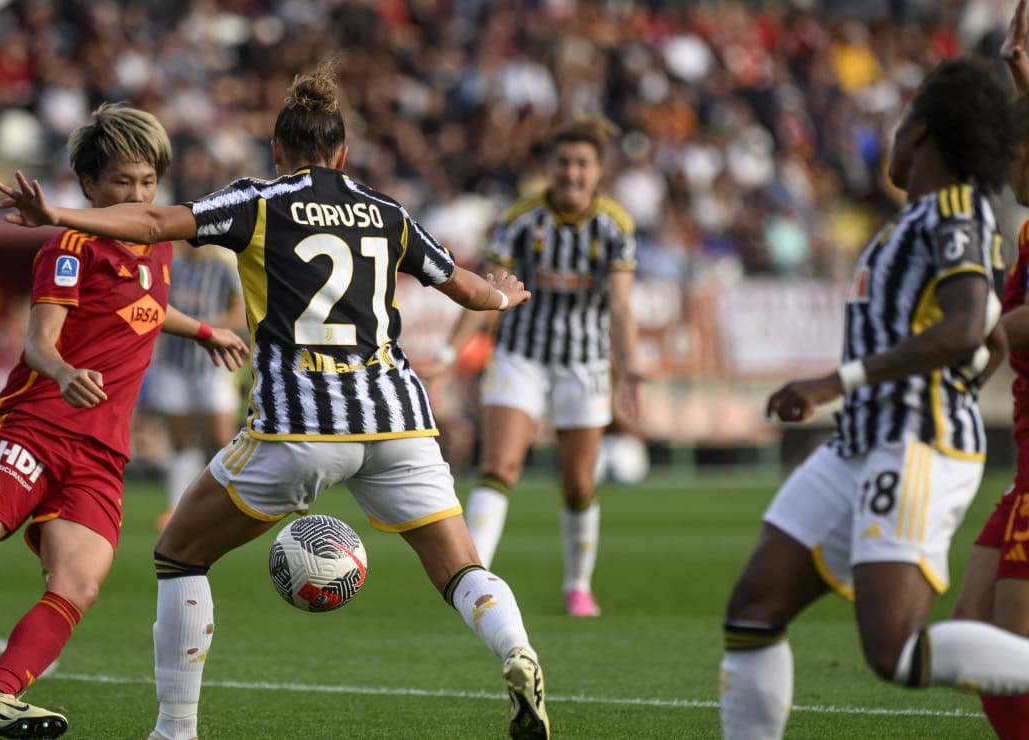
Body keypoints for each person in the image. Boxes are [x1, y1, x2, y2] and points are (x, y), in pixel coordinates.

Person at [0, 58, 552, 740]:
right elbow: (467, 288)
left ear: (277, 150)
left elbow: (151, 224)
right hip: (399, 421)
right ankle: (515, 651)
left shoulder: (258, 201)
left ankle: (175, 730)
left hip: (301, 425)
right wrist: (504, 293)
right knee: (462, 566)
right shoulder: (387, 213)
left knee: (179, 553)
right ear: (344, 152)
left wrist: (55, 212)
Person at [0, 103, 248, 739]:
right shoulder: (69, 246)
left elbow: (143, 309)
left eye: (147, 183)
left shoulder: (159, 246)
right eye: (123, 182)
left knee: (79, 583)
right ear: (90, 186)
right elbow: (39, 341)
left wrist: (203, 330)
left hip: (99, 454)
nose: (138, 195)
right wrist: (63, 373)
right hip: (32, 429)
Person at [717, 57, 1029, 740]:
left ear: (921, 134)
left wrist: (836, 382)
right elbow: (982, 341)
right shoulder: (919, 217)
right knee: (753, 610)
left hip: (913, 442)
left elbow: (968, 320)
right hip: (862, 442)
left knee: (895, 652)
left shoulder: (953, 211)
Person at [438, 117, 640, 618]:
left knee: (578, 483)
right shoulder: (522, 219)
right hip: (521, 356)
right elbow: (486, 292)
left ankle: (578, 586)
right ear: (550, 168)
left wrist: (629, 367)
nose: (571, 173)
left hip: (583, 361)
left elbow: (619, 304)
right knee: (499, 465)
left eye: (582, 164)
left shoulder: (615, 226)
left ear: (598, 171)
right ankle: (475, 579)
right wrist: (448, 354)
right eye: (563, 163)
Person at [949, 4, 1029, 737]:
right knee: (972, 628)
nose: (1007, 167)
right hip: (1023, 470)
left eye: (1016, 154)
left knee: (1008, 650)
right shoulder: (1028, 229)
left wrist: (999, 333)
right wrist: (1016, 69)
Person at [144, 241, 245, 529]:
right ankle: (177, 508)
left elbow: (240, 314)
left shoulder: (224, 269)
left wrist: (203, 327)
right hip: (174, 364)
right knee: (180, 439)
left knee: (222, 438)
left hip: (213, 366)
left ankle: (232, 505)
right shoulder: (172, 267)